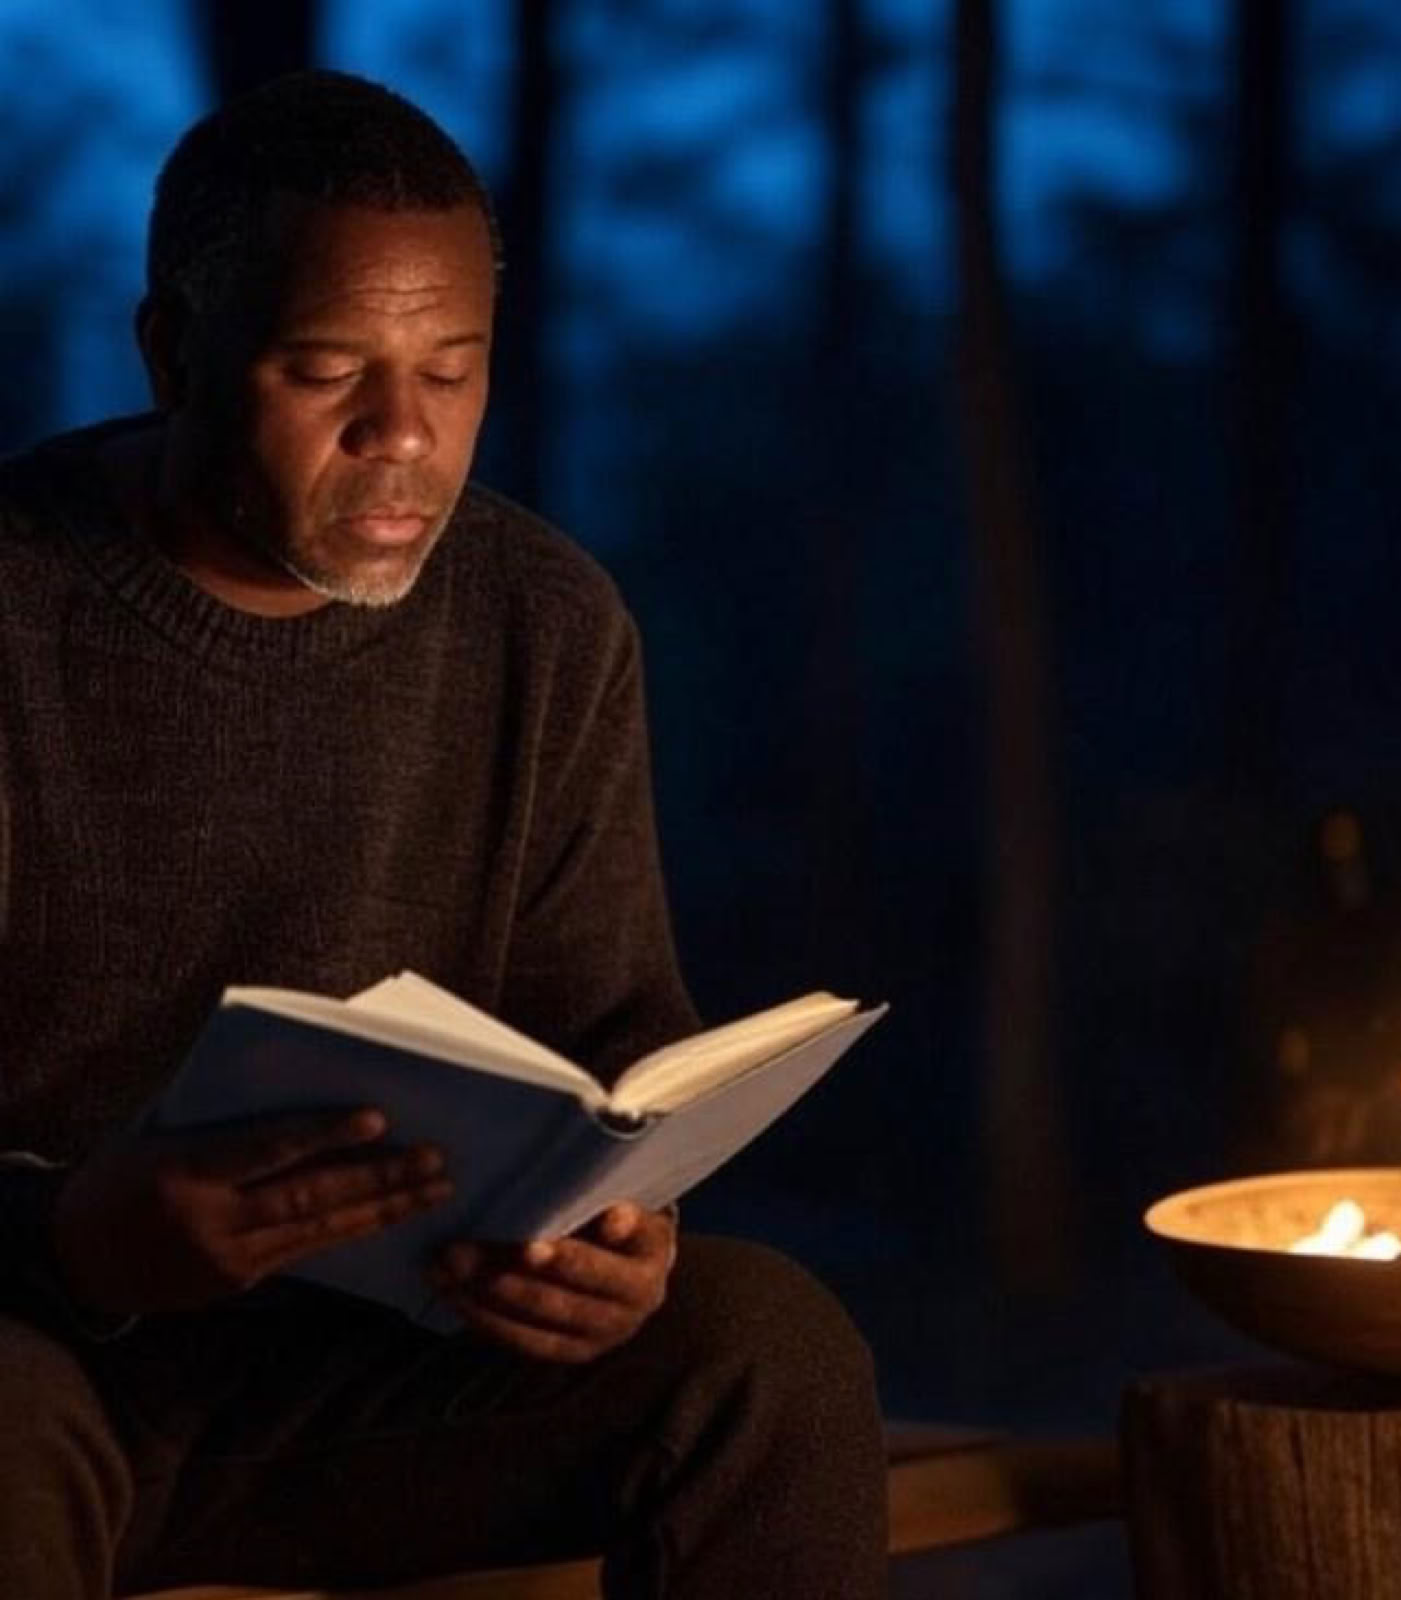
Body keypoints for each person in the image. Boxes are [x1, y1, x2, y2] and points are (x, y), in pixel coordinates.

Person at [0, 68, 886, 1599]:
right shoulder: (19, 607)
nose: (402, 437)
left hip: (373, 1370)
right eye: (325, 369)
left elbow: (615, 1043)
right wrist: (73, 1240)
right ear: (171, 351)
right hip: (37, 1358)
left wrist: (620, 1237)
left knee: (767, 1344)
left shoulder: (544, 621)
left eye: (454, 370)